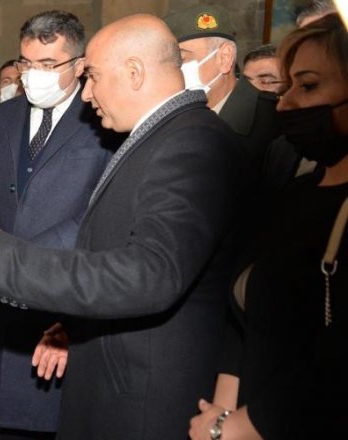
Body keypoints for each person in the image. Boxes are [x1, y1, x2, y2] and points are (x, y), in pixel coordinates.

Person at [0, 14, 245, 439]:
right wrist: (71, 324)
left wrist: (5, 260)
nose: (87, 94)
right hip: (104, 373)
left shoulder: (192, 144)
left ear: (134, 73)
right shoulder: (156, 137)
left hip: (143, 401)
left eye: (92, 76)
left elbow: (150, 274)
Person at [0, 10, 115, 440]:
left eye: (48, 65)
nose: (34, 75)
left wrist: (18, 258)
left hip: (60, 307)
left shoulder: (103, 119)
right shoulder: (1, 118)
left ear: (80, 66)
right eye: (27, 63)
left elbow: (99, 214)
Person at [189, 14, 348, 440]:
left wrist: (242, 425)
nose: (286, 103)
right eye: (288, 86)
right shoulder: (293, 192)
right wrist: (222, 408)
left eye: (309, 86)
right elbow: (246, 312)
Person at [164, 5, 280, 180]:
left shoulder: (273, 123)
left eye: (182, 59)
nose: (174, 71)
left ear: (224, 58)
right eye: (168, 63)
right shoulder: (170, 119)